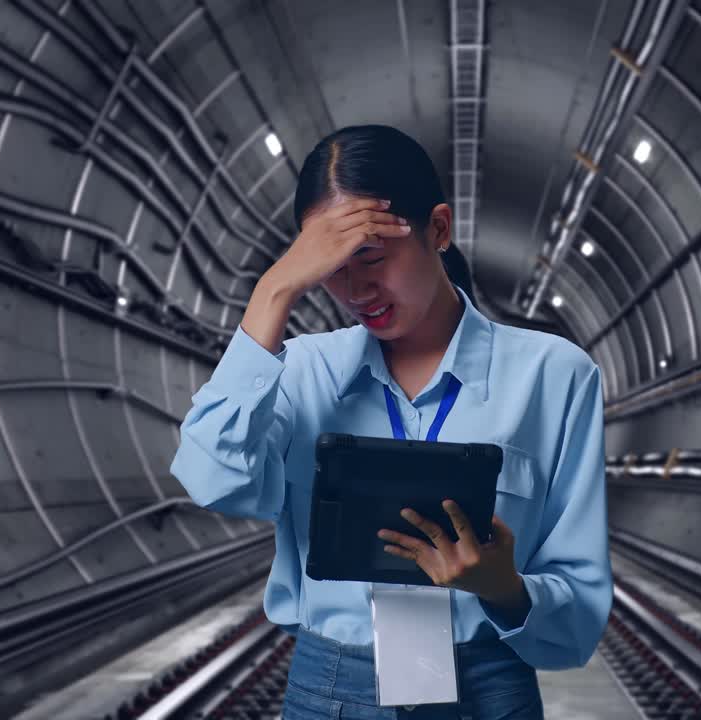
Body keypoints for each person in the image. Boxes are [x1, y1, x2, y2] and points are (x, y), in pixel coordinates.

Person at [170, 124, 611, 719]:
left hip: (487, 686)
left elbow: (579, 614)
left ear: (438, 229)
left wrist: (502, 585)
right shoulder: (300, 372)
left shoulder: (555, 377)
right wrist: (273, 292)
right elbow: (213, 479)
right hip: (332, 691)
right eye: (330, 267)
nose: (355, 289)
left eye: (371, 258)